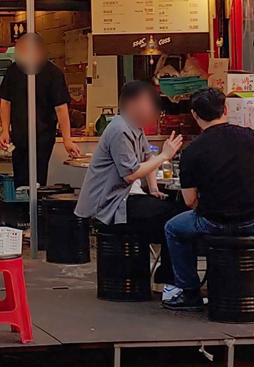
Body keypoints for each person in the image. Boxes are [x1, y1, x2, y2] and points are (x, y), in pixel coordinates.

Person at [163, 88, 254, 316]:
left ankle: (190, 293)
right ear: (225, 109)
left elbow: (189, 201)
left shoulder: (191, 152)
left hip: (212, 221)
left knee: (172, 229)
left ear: (195, 115)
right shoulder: (248, 136)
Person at [75, 81, 184, 295]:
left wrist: (153, 189)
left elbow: (147, 157)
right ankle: (170, 281)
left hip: (128, 198)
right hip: (113, 205)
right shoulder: (119, 129)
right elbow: (131, 173)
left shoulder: (134, 126)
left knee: (174, 213)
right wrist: (164, 156)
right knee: (176, 219)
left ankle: (166, 277)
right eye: (149, 102)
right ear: (132, 104)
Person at [0, 32, 80, 187]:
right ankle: (24, 202)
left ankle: (36, 202)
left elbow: (61, 108)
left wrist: (67, 140)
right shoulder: (13, 70)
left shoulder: (53, 73)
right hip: (19, 136)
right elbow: (5, 102)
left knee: (38, 181)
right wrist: (5, 131)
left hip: (43, 136)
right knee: (20, 181)